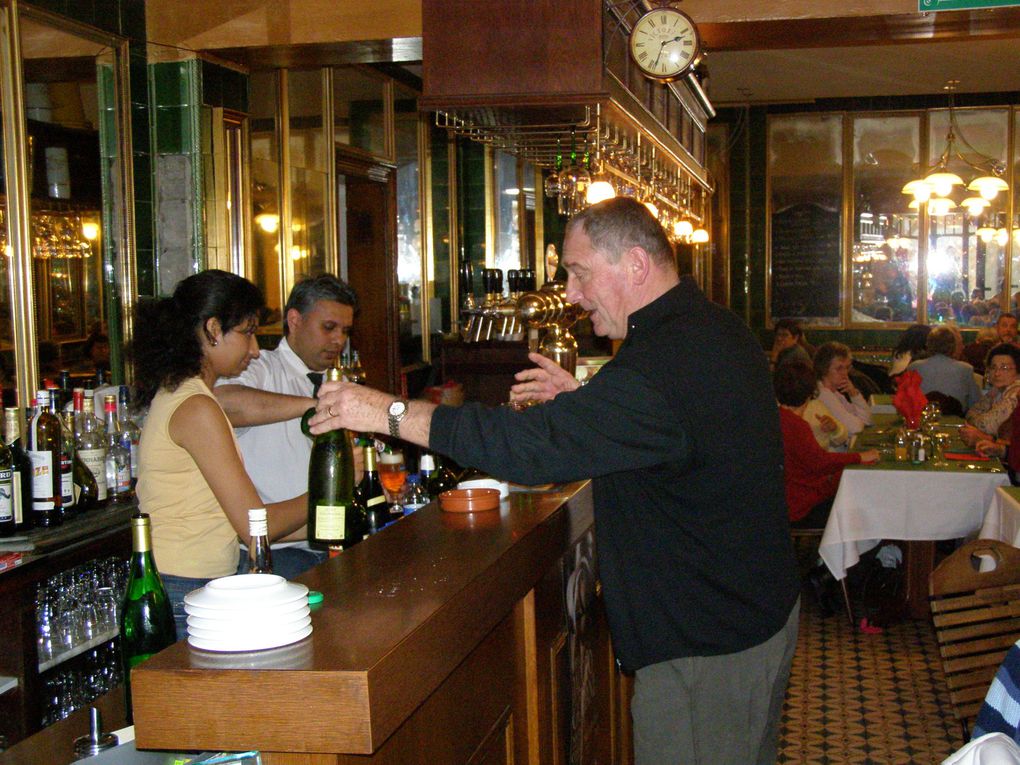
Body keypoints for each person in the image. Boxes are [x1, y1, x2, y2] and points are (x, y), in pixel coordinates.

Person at [309, 197, 801, 765]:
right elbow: (672, 431)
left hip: (709, 643)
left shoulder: (661, 363)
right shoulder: (707, 328)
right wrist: (586, 406)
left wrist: (386, 413)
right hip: (746, 614)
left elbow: (527, 450)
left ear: (636, 265)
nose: (569, 293)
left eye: (579, 272)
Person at [132, 270, 309, 636]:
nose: (256, 349)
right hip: (185, 587)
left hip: (193, 581)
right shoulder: (196, 407)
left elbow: (231, 524)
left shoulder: (188, 395)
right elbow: (254, 528)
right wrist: (328, 491)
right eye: (247, 332)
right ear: (213, 329)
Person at [214, 273, 358, 579]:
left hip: (335, 539)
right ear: (294, 320)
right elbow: (222, 404)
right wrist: (315, 406)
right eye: (329, 327)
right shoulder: (261, 367)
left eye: (345, 331)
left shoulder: (340, 382)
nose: (339, 341)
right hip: (276, 553)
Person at [775, 361, 879, 529]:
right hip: (799, 507)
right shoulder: (795, 425)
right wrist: (859, 457)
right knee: (861, 506)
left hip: (782, 502)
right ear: (810, 392)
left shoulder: (776, 418)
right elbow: (819, 463)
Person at [907, 326, 982, 412]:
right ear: (953, 346)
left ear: (928, 345)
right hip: (956, 421)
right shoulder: (965, 369)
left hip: (922, 419)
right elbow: (975, 402)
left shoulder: (913, 367)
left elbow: (907, 400)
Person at [962, 343, 1020, 449]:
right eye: (993, 367)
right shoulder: (997, 391)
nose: (997, 373)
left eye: (1004, 368)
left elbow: (985, 426)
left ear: (1018, 372)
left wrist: (976, 421)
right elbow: (971, 413)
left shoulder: (1015, 393)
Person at [814, 342, 872, 439]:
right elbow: (856, 429)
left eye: (847, 368)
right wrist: (858, 421)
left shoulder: (835, 393)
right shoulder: (824, 395)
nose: (845, 373)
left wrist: (853, 394)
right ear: (824, 370)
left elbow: (868, 421)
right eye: (839, 368)